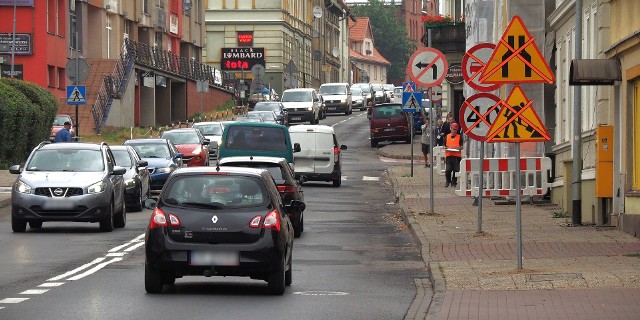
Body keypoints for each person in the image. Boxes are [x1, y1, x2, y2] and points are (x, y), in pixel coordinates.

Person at [444, 123, 463, 188]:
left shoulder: (459, 137)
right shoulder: (447, 136)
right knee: (448, 170)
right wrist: (445, 148)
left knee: (456, 170)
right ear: (450, 129)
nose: (454, 131)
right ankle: (448, 181)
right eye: (453, 129)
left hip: (456, 156)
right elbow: (444, 145)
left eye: (455, 129)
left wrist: (459, 148)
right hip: (449, 155)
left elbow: (462, 146)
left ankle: (454, 182)